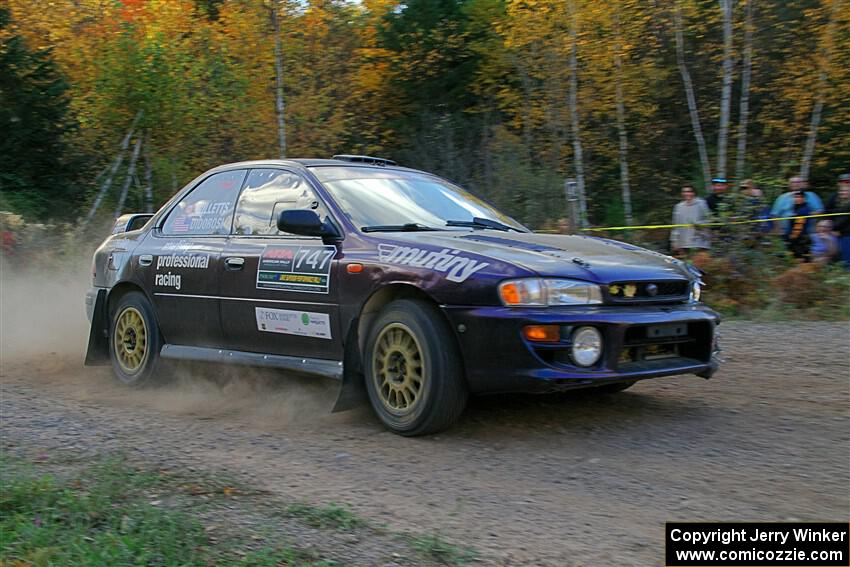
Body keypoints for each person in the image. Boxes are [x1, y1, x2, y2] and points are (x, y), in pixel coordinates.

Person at [670, 185, 711, 256]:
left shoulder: (701, 203)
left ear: (693, 193)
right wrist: (674, 241)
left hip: (699, 242)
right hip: (684, 242)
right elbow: (675, 225)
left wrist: (699, 225)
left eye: (689, 191)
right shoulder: (678, 207)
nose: (686, 194)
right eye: (684, 192)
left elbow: (708, 218)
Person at [825, 173, 850, 268]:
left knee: (847, 255)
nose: (845, 183)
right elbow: (827, 211)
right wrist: (831, 228)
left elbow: (846, 217)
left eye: (848, 182)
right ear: (838, 183)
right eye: (843, 182)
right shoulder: (834, 196)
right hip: (835, 231)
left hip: (846, 232)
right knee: (835, 254)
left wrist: (835, 228)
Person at [784, 191, 813, 260]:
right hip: (796, 237)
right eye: (796, 197)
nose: (797, 199)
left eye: (799, 197)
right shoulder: (795, 207)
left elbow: (799, 226)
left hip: (800, 239)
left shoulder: (804, 209)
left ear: (804, 198)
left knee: (801, 258)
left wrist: (792, 238)